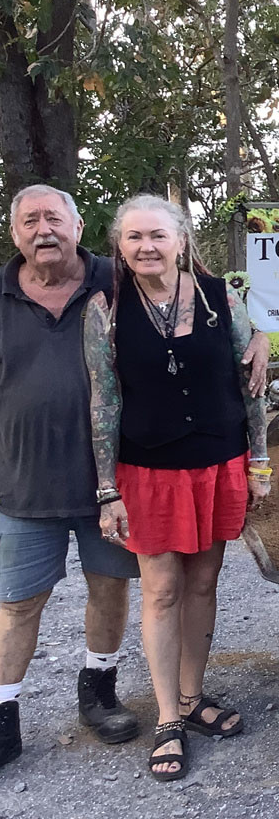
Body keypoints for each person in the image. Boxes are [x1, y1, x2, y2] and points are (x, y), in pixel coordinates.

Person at [0, 185, 140, 796]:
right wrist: (3, 420)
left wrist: (249, 337)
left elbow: (199, 304)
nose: (43, 229)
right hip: (25, 480)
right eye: (30, 220)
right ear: (15, 234)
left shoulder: (119, 279)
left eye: (54, 218)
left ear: (78, 224)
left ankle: (99, 689)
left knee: (109, 588)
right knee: (18, 605)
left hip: (113, 484)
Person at [84, 193, 270, 783]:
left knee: (204, 582)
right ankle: (167, 717)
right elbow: (103, 401)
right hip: (149, 472)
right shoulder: (106, 307)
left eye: (158, 236)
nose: (146, 247)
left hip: (218, 462)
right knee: (162, 589)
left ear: (182, 241)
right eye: (134, 237)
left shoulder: (221, 300)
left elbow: (251, 383)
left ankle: (192, 700)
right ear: (121, 245)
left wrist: (260, 461)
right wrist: (106, 489)